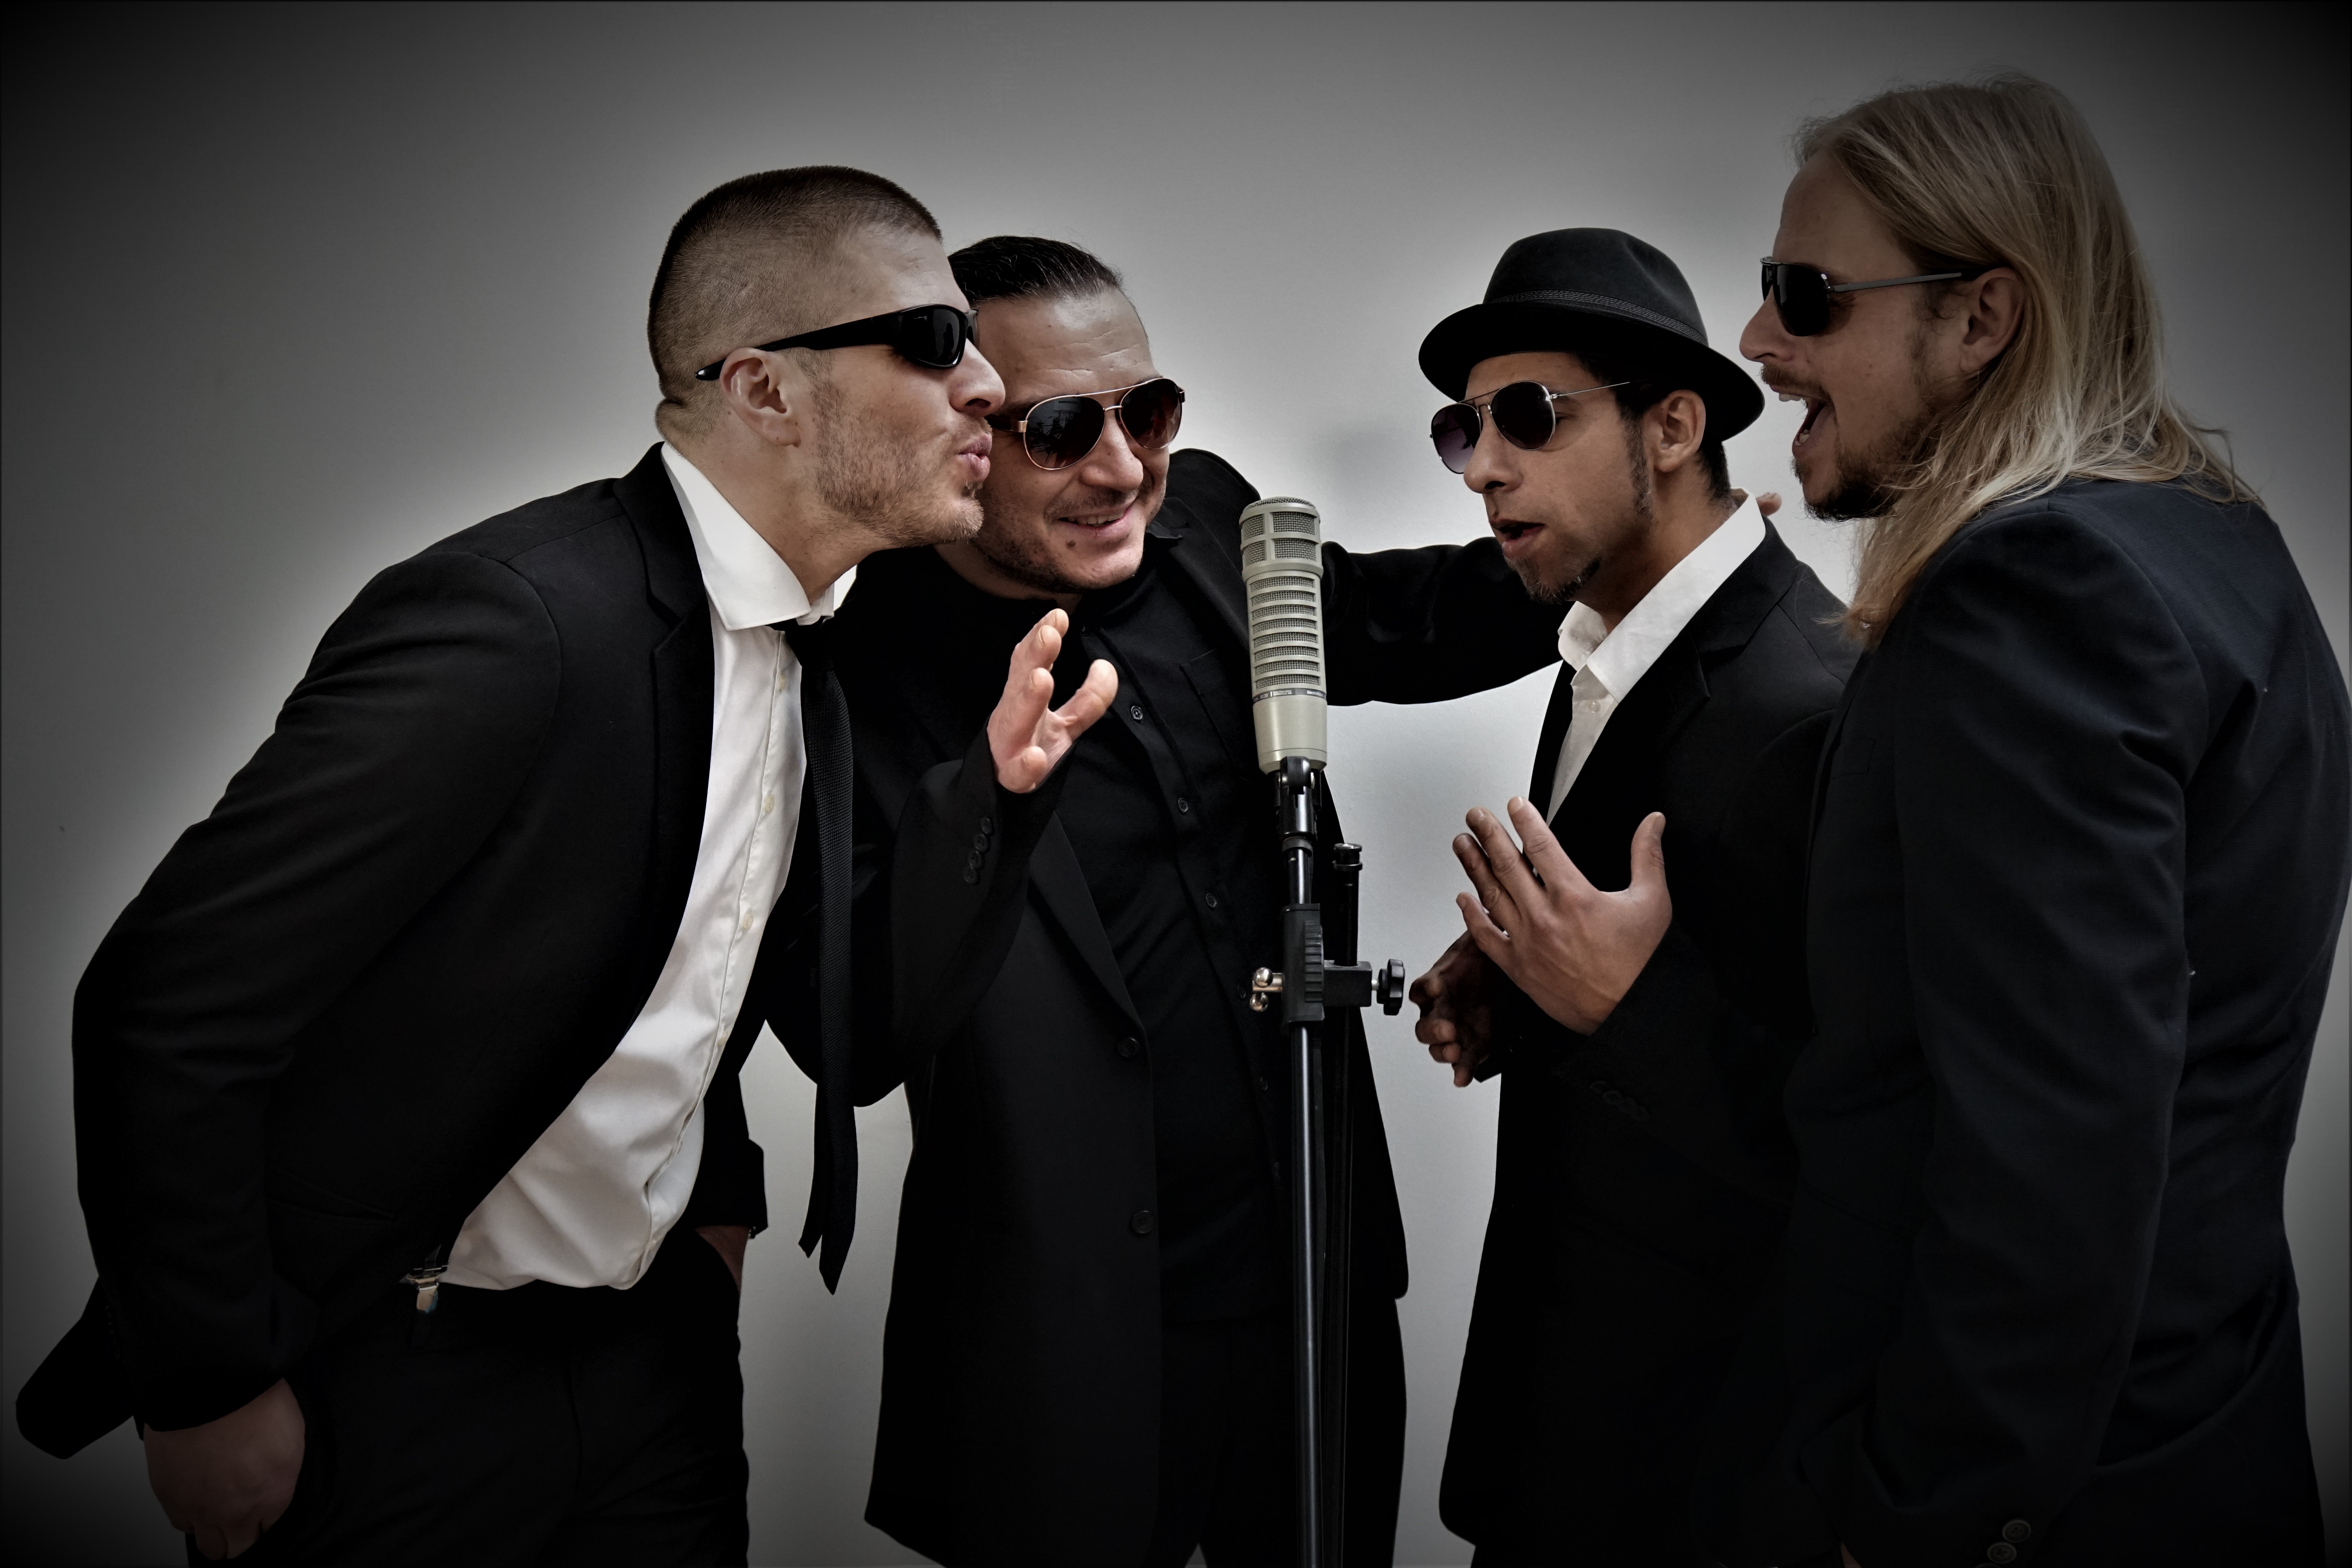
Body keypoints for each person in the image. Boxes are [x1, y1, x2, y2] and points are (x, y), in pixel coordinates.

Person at [14, 166, 1005, 1564]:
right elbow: (166, 1001)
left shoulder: (809, 653)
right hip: (397, 1378)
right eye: (936, 339)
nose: (988, 385)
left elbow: (696, 972)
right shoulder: (518, 623)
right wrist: (206, 1381)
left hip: (653, 1370)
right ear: (764, 389)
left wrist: (712, 1222)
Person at [1682, 77, 2350, 1568]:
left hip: (2034, 1503)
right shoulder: (2215, 541)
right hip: (2195, 1442)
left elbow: (2055, 1150)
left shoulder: (2033, 590)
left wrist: (1914, 1512)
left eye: (1808, 295)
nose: (1758, 340)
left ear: (1982, 317)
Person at [824, 235, 1564, 1566]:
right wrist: (985, 801)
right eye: (1062, 429)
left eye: (1148, 411)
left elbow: (1397, 617)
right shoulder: (857, 652)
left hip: (1314, 1289)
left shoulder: (1210, 518)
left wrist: (1629, 549)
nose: (1124, 470)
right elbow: (858, 1024)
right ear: (967, 431)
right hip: (1064, 1338)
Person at [1404, 229, 1855, 1565]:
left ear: (1672, 426)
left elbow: (1864, 1139)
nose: (1482, 466)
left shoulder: (1810, 703)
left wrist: (1627, 1004)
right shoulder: (1602, 649)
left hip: (1708, 1480)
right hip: (1567, 1433)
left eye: (1530, 417)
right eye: (1465, 428)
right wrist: (1528, 980)